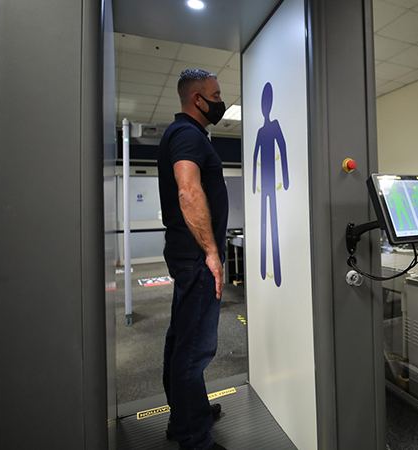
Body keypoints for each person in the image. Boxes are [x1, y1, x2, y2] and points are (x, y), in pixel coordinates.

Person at [158, 69, 230, 450]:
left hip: (186, 255)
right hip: (196, 258)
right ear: (197, 99)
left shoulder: (183, 134)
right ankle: (193, 436)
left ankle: (185, 414)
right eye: (216, 95)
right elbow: (188, 191)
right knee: (195, 348)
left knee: (181, 339)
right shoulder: (187, 135)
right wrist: (212, 253)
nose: (220, 101)